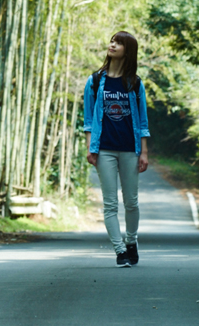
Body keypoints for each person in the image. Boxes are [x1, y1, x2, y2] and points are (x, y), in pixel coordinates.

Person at [83, 30, 150, 267]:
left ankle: (131, 241)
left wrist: (144, 151)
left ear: (127, 50)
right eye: (112, 41)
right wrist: (91, 147)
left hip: (129, 149)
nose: (112, 45)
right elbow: (88, 119)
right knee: (110, 203)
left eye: (118, 43)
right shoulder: (95, 81)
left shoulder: (135, 82)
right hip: (105, 150)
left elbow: (142, 120)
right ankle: (120, 250)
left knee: (131, 202)